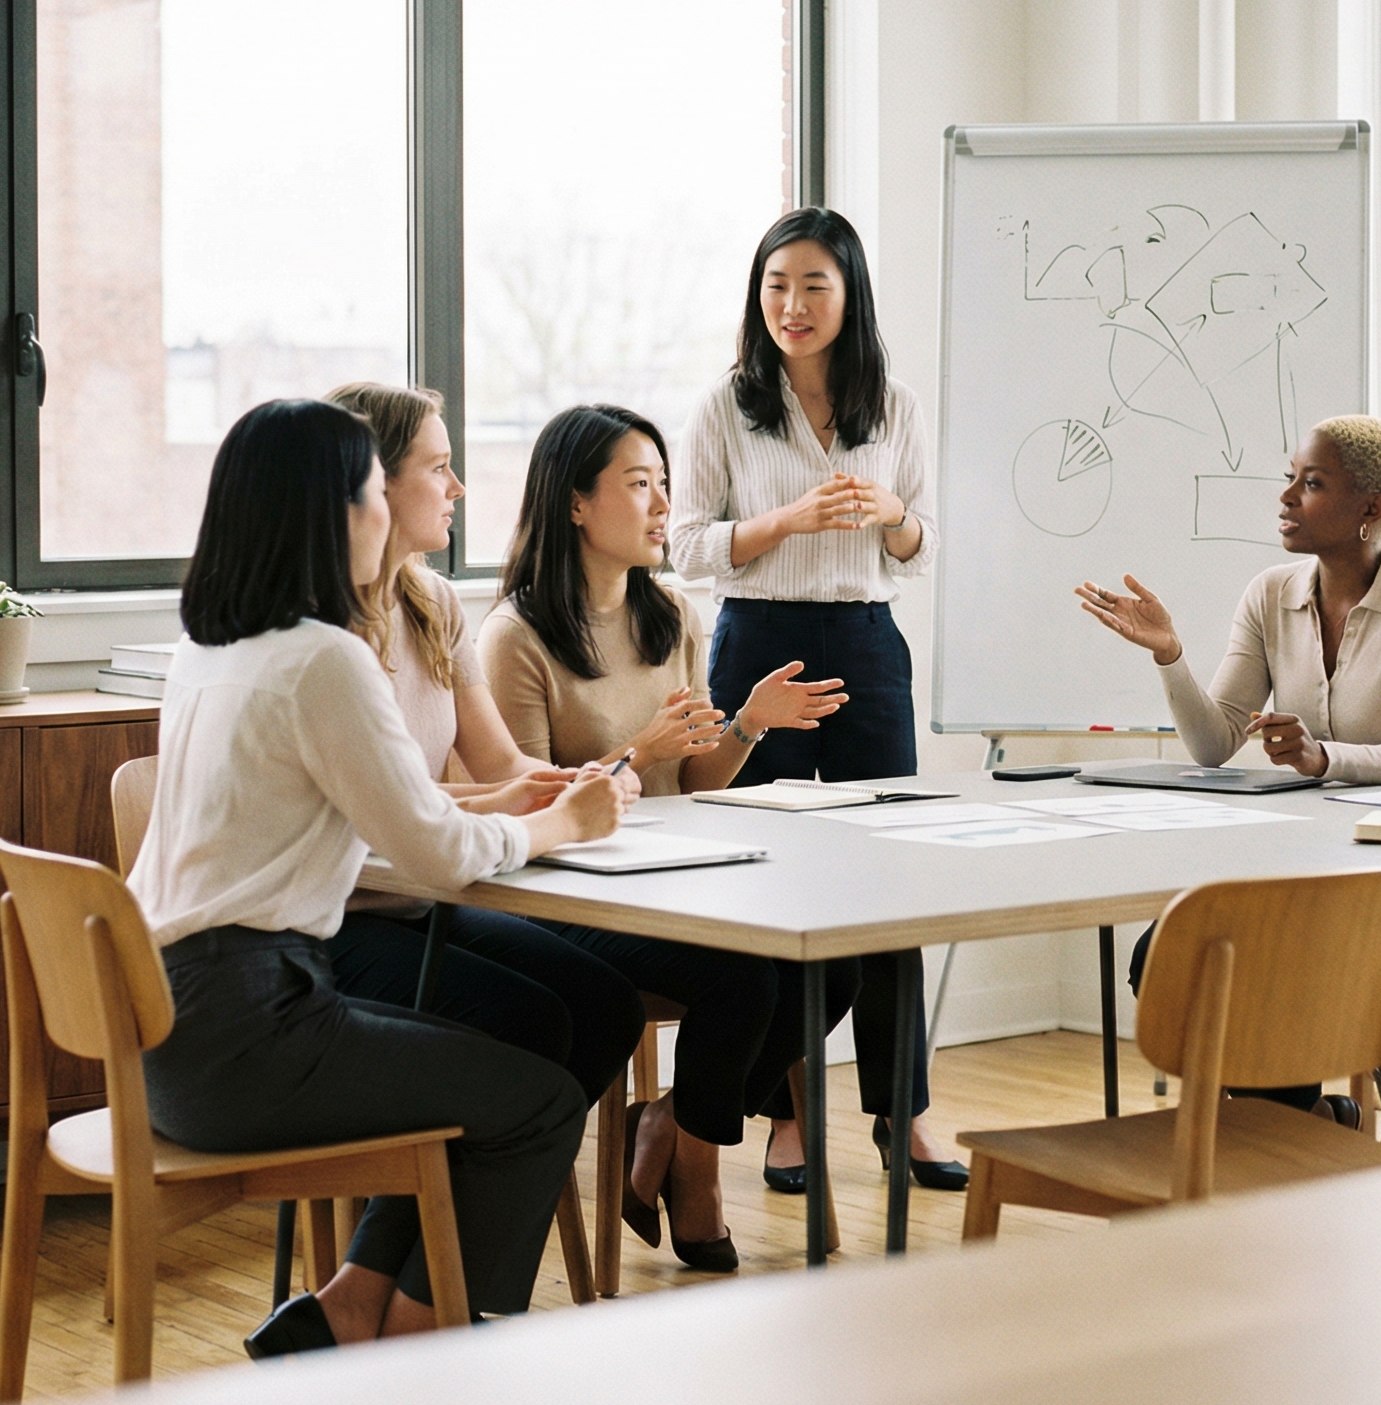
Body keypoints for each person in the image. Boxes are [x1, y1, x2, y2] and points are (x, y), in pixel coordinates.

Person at [126, 398, 624, 1356]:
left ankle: (359, 1309)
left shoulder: (209, 650)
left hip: (172, 1038)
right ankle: (419, 1354)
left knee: (501, 1060)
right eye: (368, 494)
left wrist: (504, 810)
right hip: (252, 1031)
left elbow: (398, 820)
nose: (381, 515)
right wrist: (559, 820)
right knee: (535, 1105)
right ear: (330, 513)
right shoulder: (326, 658)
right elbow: (435, 855)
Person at [481, 401, 859, 1269]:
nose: (662, 507)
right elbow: (525, 804)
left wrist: (749, 728)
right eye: (639, 485)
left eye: (665, 485)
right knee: (743, 982)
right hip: (564, 899)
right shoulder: (516, 637)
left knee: (832, 958)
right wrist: (632, 754)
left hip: (674, 874)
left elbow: (689, 783)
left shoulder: (672, 617)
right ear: (575, 503)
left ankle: (671, 1123)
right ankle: (695, 1170)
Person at [666, 205, 966, 1192]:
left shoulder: (896, 404)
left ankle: (905, 1111)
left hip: (870, 644)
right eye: (776, 286)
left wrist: (896, 520)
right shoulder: (726, 405)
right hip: (762, 641)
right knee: (780, 882)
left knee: (892, 882)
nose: (791, 305)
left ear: (850, 294)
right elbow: (687, 547)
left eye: (813, 286)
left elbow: (923, 545)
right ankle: (789, 1112)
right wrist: (788, 519)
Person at [1078, 414, 1381, 1117]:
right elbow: (1214, 742)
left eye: (1312, 483)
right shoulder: (1270, 593)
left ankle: (1285, 1128)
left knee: (1277, 964)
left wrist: (1325, 758)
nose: (1286, 496)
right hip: (1294, 860)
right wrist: (1170, 655)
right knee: (1164, 955)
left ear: (1372, 509)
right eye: (1290, 478)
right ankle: (1293, 1125)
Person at [319, 382, 648, 1120]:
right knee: (534, 1021)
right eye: (438, 468)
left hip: (423, 898)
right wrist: (550, 814)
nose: (457, 488)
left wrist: (578, 783)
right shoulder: (322, 643)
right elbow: (389, 816)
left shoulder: (432, 602)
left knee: (605, 1004)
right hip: (339, 916)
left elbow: (502, 765)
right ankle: (433, 1213)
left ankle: (480, 1195)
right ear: (372, 480)